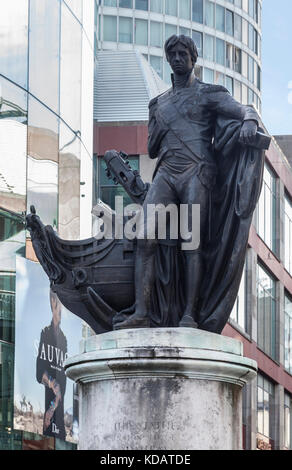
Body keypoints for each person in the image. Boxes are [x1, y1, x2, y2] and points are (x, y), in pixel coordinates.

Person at [113, 35, 260, 331]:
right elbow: (153, 149)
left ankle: (190, 314)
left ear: (193, 58)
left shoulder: (210, 93)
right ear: (167, 60)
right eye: (173, 54)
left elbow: (246, 110)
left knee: (192, 244)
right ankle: (141, 311)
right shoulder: (158, 104)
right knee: (145, 236)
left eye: (183, 54)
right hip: (167, 172)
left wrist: (250, 122)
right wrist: (157, 123)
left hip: (198, 171)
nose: (178, 58)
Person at [36, 289, 67, 440]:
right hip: (48, 419)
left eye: (61, 305)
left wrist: (53, 407)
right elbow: (39, 372)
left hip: (58, 414)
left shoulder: (64, 339)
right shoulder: (45, 333)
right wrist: (52, 382)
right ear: (52, 303)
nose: (60, 309)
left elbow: (64, 384)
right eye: (57, 304)